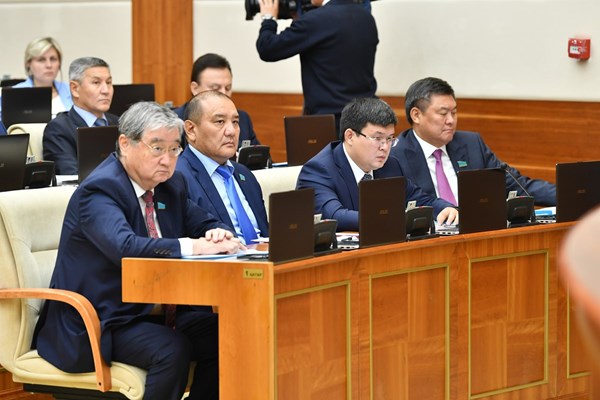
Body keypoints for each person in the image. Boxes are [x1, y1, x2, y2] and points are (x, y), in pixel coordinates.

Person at [33, 101, 244, 400]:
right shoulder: (100, 190)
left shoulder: (170, 184)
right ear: (125, 144)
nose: (167, 160)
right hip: (102, 320)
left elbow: (206, 221)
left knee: (228, 333)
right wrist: (193, 246)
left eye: (174, 149)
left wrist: (217, 232)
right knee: (171, 348)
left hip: (155, 312)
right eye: (157, 148)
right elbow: (125, 248)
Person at [296, 97, 458, 231]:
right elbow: (334, 216)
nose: (385, 147)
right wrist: (394, 218)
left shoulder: (390, 165)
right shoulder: (318, 170)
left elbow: (419, 199)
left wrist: (445, 208)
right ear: (350, 136)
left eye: (390, 138)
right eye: (377, 138)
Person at [391, 77, 556, 206]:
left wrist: (565, 195)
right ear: (416, 115)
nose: (451, 120)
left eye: (454, 113)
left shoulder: (471, 144)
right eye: (443, 113)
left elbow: (517, 185)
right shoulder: (395, 155)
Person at [256, 0, 378, 132]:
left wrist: (268, 18)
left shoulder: (314, 20)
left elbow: (267, 48)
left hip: (330, 123)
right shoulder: (367, 17)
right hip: (368, 118)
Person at [177, 90, 268, 244]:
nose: (231, 131)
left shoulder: (244, 174)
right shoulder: (178, 177)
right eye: (219, 122)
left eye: (235, 122)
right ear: (191, 130)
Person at [42, 56, 119, 175]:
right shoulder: (59, 129)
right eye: (96, 82)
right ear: (74, 89)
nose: (106, 90)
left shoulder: (120, 123)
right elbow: (71, 175)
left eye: (108, 82)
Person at [174, 53, 260, 148]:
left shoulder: (242, 119)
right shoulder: (174, 122)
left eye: (228, 88)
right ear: (195, 88)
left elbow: (259, 156)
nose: (223, 93)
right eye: (215, 89)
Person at [0, 37, 73, 126]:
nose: (49, 65)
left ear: (59, 63)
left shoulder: (73, 91)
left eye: (53, 59)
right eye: (41, 60)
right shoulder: (12, 94)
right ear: (28, 64)